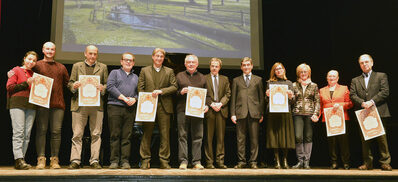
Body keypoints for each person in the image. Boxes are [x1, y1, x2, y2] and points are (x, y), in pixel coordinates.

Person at [68, 45, 108, 169]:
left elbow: (107, 84)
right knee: (77, 134)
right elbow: (70, 83)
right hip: (80, 105)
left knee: (96, 134)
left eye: (95, 54)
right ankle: (75, 160)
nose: (92, 56)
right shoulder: (76, 66)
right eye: (90, 53)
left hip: (96, 105)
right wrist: (74, 86)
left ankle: (94, 160)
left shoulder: (103, 67)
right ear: (85, 54)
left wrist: (103, 88)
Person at [349, 54, 392, 171]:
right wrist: (363, 103)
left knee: (381, 138)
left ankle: (385, 162)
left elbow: (385, 92)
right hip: (363, 113)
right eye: (362, 63)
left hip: (379, 112)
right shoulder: (355, 80)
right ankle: (368, 163)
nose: (364, 64)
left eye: (366, 62)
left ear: (372, 63)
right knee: (365, 140)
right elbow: (352, 95)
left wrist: (372, 102)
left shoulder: (381, 76)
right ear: (359, 65)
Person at [138, 48, 177, 169]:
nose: (159, 58)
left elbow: (174, 86)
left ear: (163, 58)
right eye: (157, 56)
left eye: (161, 56)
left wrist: (162, 91)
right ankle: (145, 160)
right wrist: (147, 98)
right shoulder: (144, 70)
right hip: (148, 106)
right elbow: (140, 88)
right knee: (146, 134)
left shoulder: (169, 71)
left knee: (165, 135)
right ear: (153, 57)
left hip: (164, 107)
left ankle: (164, 160)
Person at [32, 42, 69, 169]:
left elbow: (67, 84)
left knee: (56, 132)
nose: (50, 51)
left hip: (58, 104)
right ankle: (41, 159)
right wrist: (13, 73)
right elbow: (25, 72)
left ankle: (54, 160)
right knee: (41, 131)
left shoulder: (61, 67)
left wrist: (76, 85)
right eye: (47, 49)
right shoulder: (36, 65)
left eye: (52, 49)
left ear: (55, 51)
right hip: (41, 103)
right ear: (43, 50)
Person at [230, 57, 264, 169]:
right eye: (244, 65)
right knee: (240, 139)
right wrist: (232, 114)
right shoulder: (236, 80)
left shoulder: (258, 80)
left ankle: (253, 161)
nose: (246, 67)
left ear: (252, 66)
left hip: (254, 113)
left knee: (254, 139)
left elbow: (261, 98)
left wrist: (261, 113)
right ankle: (242, 161)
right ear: (241, 67)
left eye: (248, 65)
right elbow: (233, 98)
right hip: (240, 113)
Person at [6, 51, 38, 169]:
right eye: (29, 59)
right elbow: (9, 87)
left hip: (31, 105)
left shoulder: (35, 75)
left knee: (27, 134)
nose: (31, 62)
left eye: (34, 61)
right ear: (24, 58)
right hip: (17, 104)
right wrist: (26, 83)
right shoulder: (16, 70)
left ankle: (22, 159)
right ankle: (18, 159)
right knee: (19, 132)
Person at [106, 52, 138, 169]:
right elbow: (110, 87)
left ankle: (125, 161)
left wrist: (135, 99)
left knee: (127, 136)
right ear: (121, 61)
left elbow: (138, 93)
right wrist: (124, 98)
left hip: (129, 109)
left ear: (133, 63)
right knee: (115, 135)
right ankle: (114, 161)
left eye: (131, 60)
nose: (128, 62)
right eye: (126, 60)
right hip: (115, 107)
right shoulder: (115, 73)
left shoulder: (136, 77)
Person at [176, 54, 208, 170]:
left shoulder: (202, 77)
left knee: (198, 137)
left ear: (197, 64)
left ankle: (196, 162)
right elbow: (174, 94)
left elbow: (207, 95)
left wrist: (207, 106)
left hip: (197, 111)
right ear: (185, 64)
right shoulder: (179, 76)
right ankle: (183, 161)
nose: (190, 64)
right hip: (182, 110)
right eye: (188, 62)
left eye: (193, 62)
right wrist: (180, 92)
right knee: (182, 136)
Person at [319, 70, 353, 170]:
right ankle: (334, 162)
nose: (331, 78)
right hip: (328, 120)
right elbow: (320, 106)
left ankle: (346, 162)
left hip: (342, 119)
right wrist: (317, 116)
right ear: (327, 78)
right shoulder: (321, 90)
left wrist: (341, 105)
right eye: (329, 76)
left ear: (337, 78)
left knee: (343, 142)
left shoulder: (344, 88)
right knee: (331, 142)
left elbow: (350, 103)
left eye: (334, 76)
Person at [265, 62, 295, 169]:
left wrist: (291, 97)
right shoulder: (270, 83)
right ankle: (277, 160)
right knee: (275, 137)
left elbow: (292, 102)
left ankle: (285, 160)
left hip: (285, 113)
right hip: (273, 113)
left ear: (284, 70)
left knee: (285, 136)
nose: (278, 70)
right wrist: (267, 95)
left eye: (280, 68)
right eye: (276, 69)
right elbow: (267, 100)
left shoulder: (289, 83)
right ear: (274, 72)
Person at [291, 63, 320, 169]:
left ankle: (306, 162)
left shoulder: (314, 85)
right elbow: (292, 101)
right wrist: (291, 97)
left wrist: (316, 114)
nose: (303, 74)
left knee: (308, 137)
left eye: (305, 72)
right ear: (298, 73)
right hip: (297, 113)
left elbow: (317, 101)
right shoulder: (294, 85)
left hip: (309, 114)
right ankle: (300, 161)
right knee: (298, 137)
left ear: (308, 73)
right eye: (301, 72)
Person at [204, 58, 231, 169]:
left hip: (221, 110)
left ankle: (220, 161)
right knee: (208, 138)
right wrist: (211, 104)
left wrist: (220, 104)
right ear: (210, 67)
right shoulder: (204, 78)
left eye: (216, 66)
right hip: (209, 111)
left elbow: (228, 94)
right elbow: (204, 94)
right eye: (212, 66)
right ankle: (209, 162)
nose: (214, 68)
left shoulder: (225, 79)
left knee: (220, 138)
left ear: (219, 67)